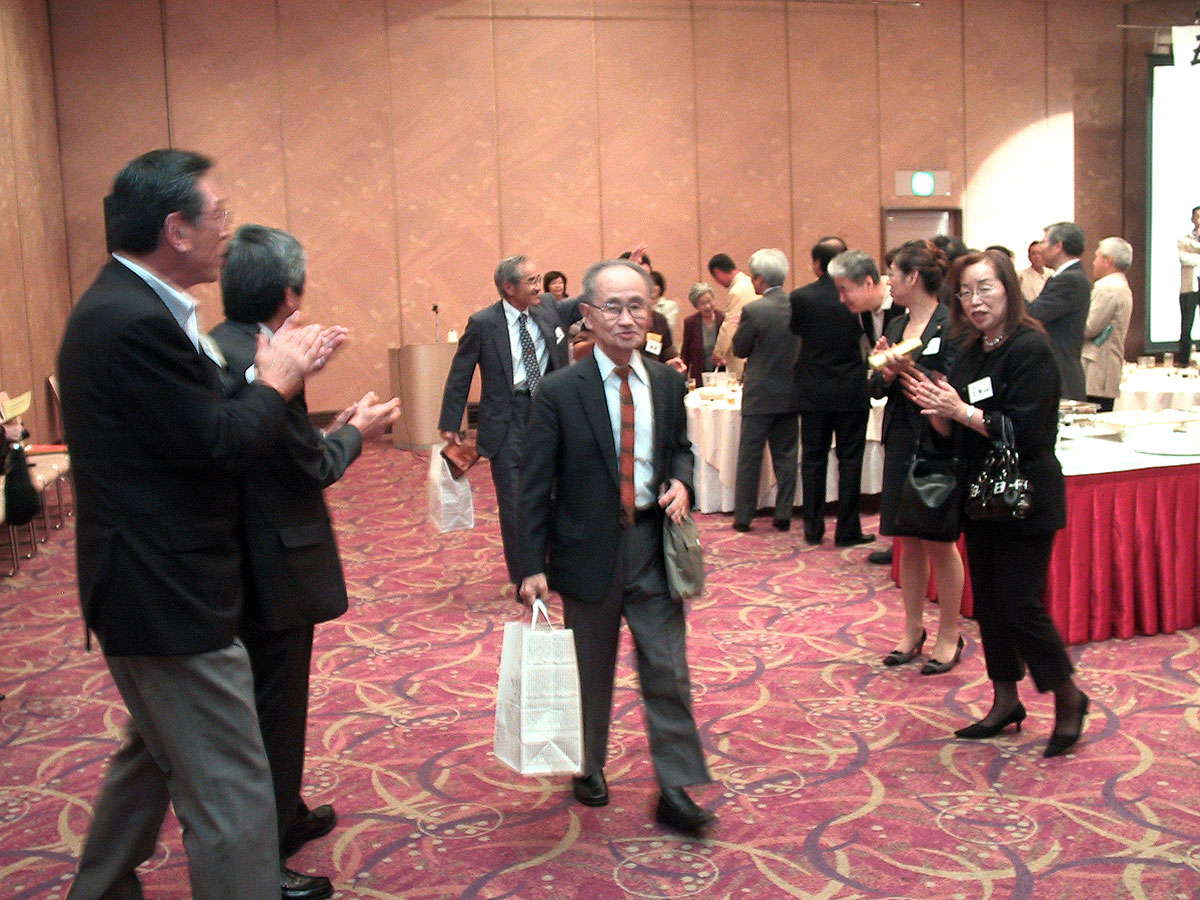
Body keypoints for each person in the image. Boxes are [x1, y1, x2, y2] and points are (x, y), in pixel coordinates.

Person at [56, 149, 335, 900]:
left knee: (152, 754)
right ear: (176, 229)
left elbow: (192, 427)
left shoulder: (133, 306)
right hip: (169, 592)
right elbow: (219, 445)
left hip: (149, 585)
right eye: (220, 216)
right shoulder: (132, 321)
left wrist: (275, 379)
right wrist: (278, 381)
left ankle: (101, 887)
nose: (227, 232)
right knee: (233, 796)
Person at [209, 224, 400, 889]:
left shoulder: (223, 344)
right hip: (273, 566)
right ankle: (267, 852)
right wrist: (357, 431)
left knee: (270, 706)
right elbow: (309, 466)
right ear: (290, 292)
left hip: (242, 554)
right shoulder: (266, 363)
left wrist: (325, 419)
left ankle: (285, 812)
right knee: (275, 712)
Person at [518, 258, 715, 836]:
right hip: (586, 551)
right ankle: (588, 763)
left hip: (652, 545)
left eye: (637, 306)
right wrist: (529, 565)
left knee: (668, 668)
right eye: (613, 307)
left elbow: (680, 449)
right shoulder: (559, 391)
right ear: (587, 315)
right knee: (590, 669)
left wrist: (682, 481)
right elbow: (533, 484)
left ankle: (675, 787)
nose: (627, 319)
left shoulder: (666, 382)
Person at [904, 248, 1090, 758]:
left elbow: (1028, 433)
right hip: (980, 494)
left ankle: (1069, 695)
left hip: (1025, 494)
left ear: (1009, 287)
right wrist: (936, 410)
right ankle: (1005, 699)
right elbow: (955, 432)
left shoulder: (1031, 347)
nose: (975, 300)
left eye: (985, 288)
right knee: (987, 604)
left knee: (1019, 604)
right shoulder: (971, 349)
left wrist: (961, 410)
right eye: (965, 292)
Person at [438, 256, 582, 588]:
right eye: (531, 281)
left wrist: (626, 268)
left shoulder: (548, 307)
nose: (538, 287)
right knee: (516, 502)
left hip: (548, 412)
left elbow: (583, 301)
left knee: (554, 493)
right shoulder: (483, 323)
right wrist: (451, 420)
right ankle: (526, 575)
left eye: (539, 279)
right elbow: (460, 373)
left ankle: (555, 566)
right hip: (507, 419)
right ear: (509, 288)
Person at [858, 242, 964, 674]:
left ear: (914, 277)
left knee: (939, 540)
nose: (888, 282)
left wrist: (908, 370)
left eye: (893, 274)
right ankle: (912, 628)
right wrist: (884, 370)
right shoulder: (898, 322)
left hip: (936, 439)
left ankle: (950, 633)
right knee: (909, 539)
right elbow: (876, 386)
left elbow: (950, 386)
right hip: (901, 436)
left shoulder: (950, 324)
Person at [789, 236, 874, 547]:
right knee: (850, 460)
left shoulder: (800, 297)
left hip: (813, 388)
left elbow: (796, 330)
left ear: (816, 264)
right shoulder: (857, 296)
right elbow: (869, 335)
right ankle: (848, 529)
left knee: (813, 460)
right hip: (851, 387)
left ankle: (813, 528)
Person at [731, 249, 800, 532]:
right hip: (791, 391)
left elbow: (740, 349)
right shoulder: (799, 308)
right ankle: (783, 513)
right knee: (787, 456)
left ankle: (743, 517)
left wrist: (738, 327)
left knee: (750, 457)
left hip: (759, 394)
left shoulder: (754, 310)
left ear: (760, 279)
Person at [1029, 222, 1090, 401]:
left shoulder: (1070, 279)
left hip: (1061, 372)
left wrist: (1009, 285)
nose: (1040, 248)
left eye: (1044, 242)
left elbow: (1033, 314)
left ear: (1058, 246)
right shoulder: (1068, 276)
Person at [1082, 237, 1134, 411]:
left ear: (1108, 260)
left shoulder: (1107, 287)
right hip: (1108, 366)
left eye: (1097, 257)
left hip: (1097, 367)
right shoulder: (1122, 285)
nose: (1093, 262)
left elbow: (1089, 327)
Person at [708, 253, 759, 378]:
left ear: (718, 272)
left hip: (742, 353)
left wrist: (718, 352)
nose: (717, 282)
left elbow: (729, 325)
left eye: (715, 278)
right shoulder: (750, 283)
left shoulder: (736, 292)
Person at [680, 282, 724, 382]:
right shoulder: (690, 323)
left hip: (722, 373)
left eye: (709, 301)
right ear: (696, 306)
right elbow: (686, 353)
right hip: (700, 376)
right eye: (702, 303)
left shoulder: (723, 319)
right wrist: (683, 378)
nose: (707, 306)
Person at [1176, 207, 1200, 365]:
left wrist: (1194, 254)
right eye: (1198, 216)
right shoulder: (1184, 240)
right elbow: (1184, 259)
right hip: (1190, 288)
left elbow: (1191, 258)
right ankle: (1184, 361)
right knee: (1186, 326)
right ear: (1193, 219)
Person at [651, 270, 680, 336]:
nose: (652, 288)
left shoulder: (670, 305)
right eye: (650, 285)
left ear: (660, 287)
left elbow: (668, 327)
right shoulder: (642, 306)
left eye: (655, 284)